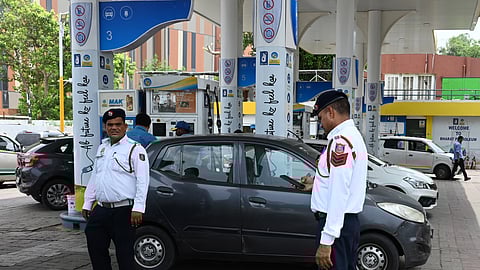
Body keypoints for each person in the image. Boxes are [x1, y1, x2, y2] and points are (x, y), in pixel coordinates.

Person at [302, 90, 367, 270]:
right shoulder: (352, 137)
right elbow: (339, 180)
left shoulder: (341, 143)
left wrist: (327, 240)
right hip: (345, 225)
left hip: (337, 227)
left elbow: (339, 193)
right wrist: (315, 184)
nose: (321, 123)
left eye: (321, 117)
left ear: (331, 112)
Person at [82, 108, 150, 270]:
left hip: (124, 211)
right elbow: (95, 176)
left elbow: (143, 180)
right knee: (96, 249)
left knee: (125, 256)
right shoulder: (103, 147)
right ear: (105, 127)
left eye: (118, 124)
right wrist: (87, 202)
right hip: (101, 209)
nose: (114, 127)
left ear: (125, 127)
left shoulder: (135, 149)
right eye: (110, 124)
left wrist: (138, 208)